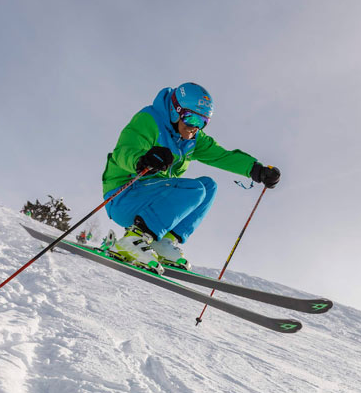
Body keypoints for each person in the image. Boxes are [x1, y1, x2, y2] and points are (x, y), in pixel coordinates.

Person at [102, 82, 280, 271]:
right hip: (123, 195)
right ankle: (132, 240)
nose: (195, 127)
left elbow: (222, 156)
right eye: (191, 119)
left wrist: (256, 170)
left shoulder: (193, 139)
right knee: (194, 189)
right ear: (175, 111)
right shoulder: (149, 120)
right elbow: (124, 151)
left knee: (209, 187)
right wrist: (142, 160)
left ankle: (162, 242)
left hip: (151, 201)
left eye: (202, 122)